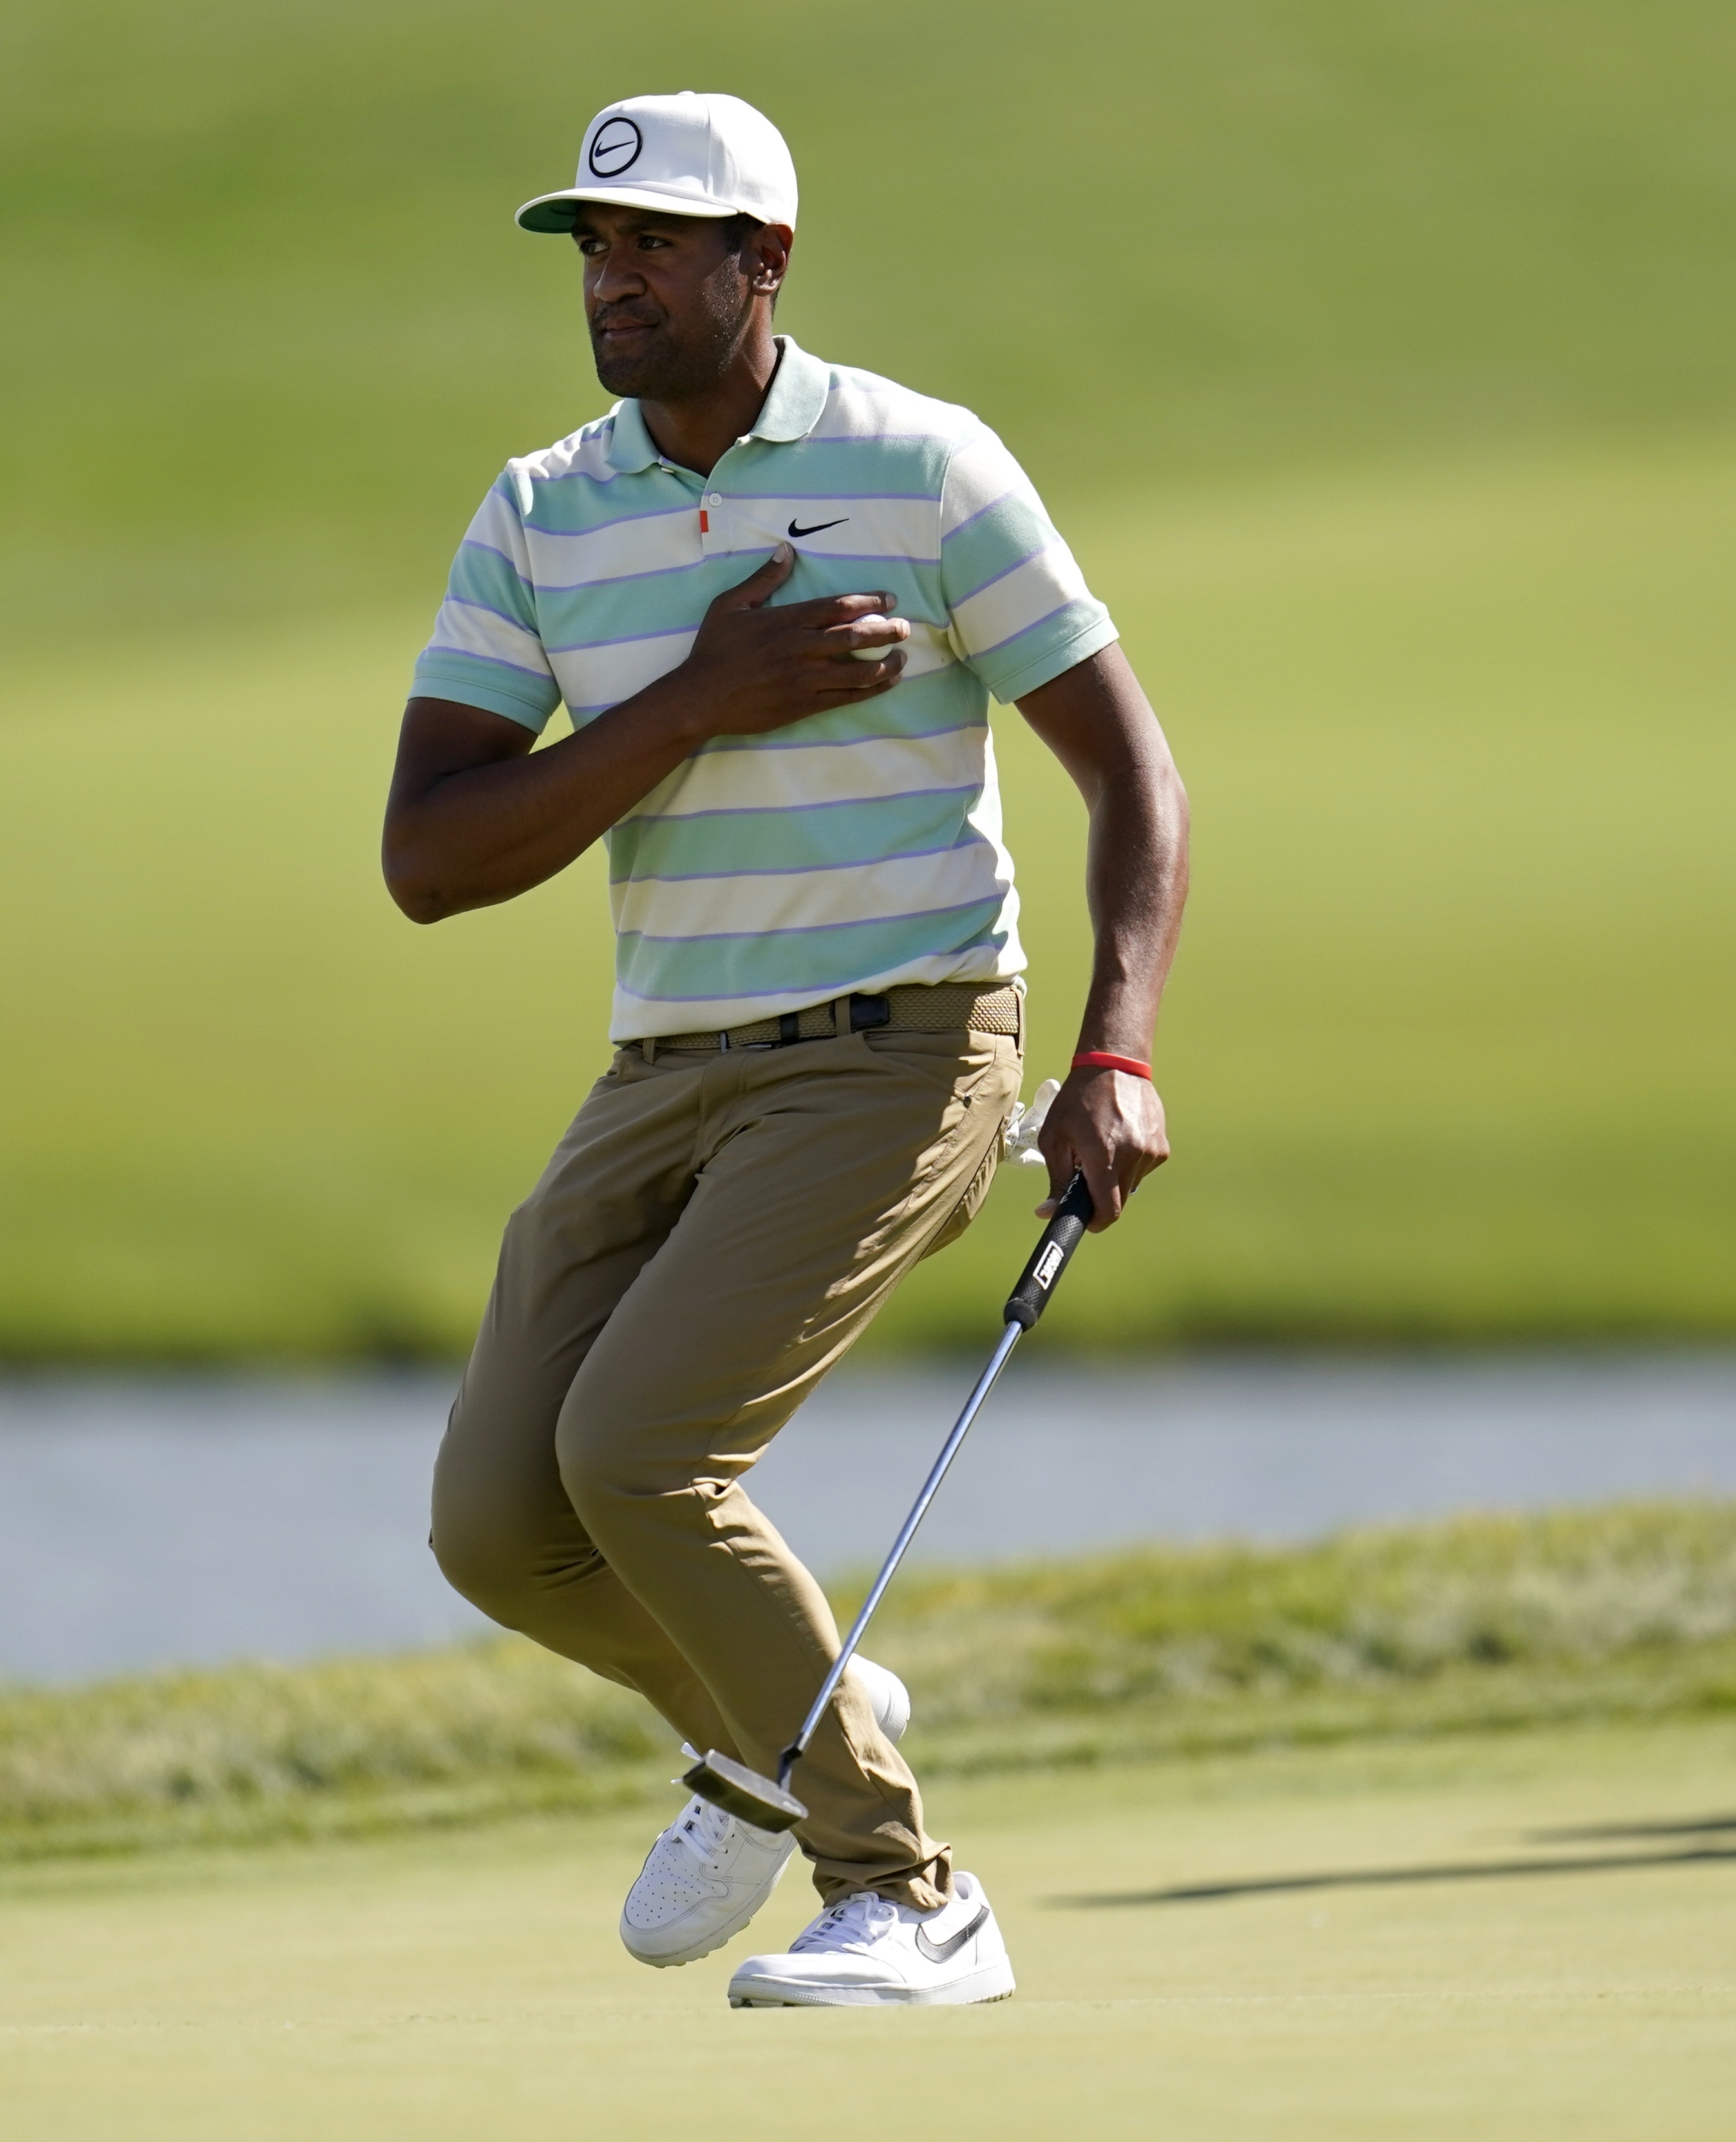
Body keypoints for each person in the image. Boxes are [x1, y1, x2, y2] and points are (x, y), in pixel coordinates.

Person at [382, 91, 1189, 2008]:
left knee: (639, 1457)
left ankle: (909, 1893)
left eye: (656, 242)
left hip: (905, 1045)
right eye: (595, 244)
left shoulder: (922, 465)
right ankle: (804, 1696)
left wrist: (1117, 1046)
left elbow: (1130, 774)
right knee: (497, 1526)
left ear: (766, 259)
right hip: (664, 1060)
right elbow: (431, 860)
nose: (614, 277)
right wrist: (693, 702)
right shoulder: (540, 509)